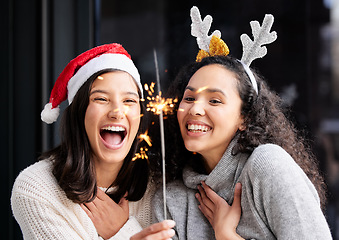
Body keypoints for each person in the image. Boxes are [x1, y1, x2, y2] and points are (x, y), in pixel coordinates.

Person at [152, 7, 333, 240]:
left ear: (245, 118)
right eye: (189, 98)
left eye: (215, 100)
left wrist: (227, 236)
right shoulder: (170, 201)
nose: (195, 109)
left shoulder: (267, 166)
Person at [10, 43, 175, 240]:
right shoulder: (37, 188)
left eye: (129, 101)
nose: (117, 112)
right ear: (79, 113)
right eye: (101, 99)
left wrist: (120, 227)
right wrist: (125, 235)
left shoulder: (161, 182)